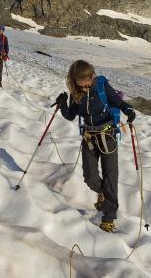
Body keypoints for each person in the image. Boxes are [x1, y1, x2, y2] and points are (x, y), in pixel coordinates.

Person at [56, 60, 136, 233]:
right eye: (82, 85)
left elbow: (117, 102)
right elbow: (71, 115)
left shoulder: (101, 85)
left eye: (88, 84)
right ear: (74, 81)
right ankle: (104, 195)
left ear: (92, 76)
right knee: (90, 178)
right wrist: (63, 104)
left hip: (108, 136)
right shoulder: (75, 92)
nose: (85, 88)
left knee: (110, 177)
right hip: (89, 137)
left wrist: (128, 110)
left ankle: (109, 218)